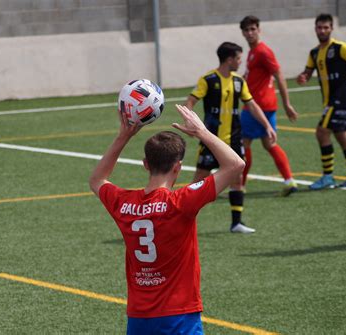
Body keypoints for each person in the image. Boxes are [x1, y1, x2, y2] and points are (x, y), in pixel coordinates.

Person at [89, 104, 245, 334]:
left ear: (145, 164)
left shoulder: (124, 203)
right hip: (179, 316)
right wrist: (202, 132)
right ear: (178, 167)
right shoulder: (181, 202)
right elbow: (236, 165)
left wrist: (123, 137)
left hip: (139, 318)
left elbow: (97, 180)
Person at [185, 41, 277, 234]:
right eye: (238, 58)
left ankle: (236, 223)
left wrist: (267, 125)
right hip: (211, 139)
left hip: (234, 139)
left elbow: (251, 105)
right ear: (229, 59)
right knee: (200, 179)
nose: (240, 61)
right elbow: (191, 101)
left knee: (237, 178)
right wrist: (189, 120)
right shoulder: (208, 79)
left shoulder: (238, 81)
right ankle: (182, 218)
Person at [297, 13, 346, 190]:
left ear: (331, 28)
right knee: (342, 135)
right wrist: (303, 77)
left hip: (339, 99)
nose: (322, 30)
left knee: (322, 132)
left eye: (326, 27)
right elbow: (307, 72)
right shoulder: (314, 53)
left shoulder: (341, 48)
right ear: (315, 29)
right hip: (329, 101)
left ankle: (328, 177)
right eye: (319, 27)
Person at [239, 15, 299, 196]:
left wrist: (287, 103)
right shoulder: (252, 52)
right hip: (264, 105)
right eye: (247, 30)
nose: (250, 33)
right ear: (242, 32)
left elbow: (279, 74)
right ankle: (289, 181)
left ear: (259, 30)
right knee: (269, 143)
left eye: (253, 29)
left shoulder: (263, 51)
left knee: (243, 143)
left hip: (256, 106)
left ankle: (240, 186)